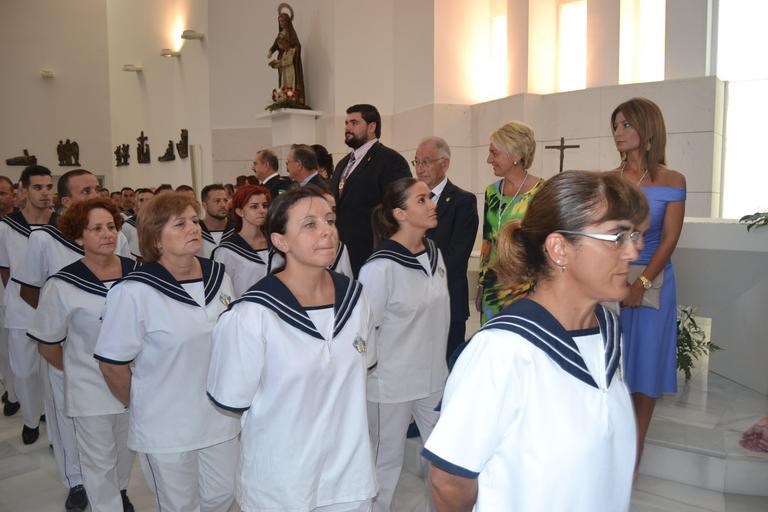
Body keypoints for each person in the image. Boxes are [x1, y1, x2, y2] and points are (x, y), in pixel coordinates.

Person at [424, 171, 646, 511]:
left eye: (635, 236)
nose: (633, 252)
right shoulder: (504, 351)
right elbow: (448, 481)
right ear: (559, 248)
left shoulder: (606, 332)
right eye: (617, 236)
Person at [207, 186, 376, 511]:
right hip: (281, 483)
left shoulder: (357, 299)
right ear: (280, 241)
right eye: (310, 224)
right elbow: (232, 398)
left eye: (330, 220)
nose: (327, 230)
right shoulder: (253, 313)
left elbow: (362, 368)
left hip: (348, 480)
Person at [95, 193, 240, 512]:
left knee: (222, 495)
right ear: (156, 238)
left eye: (193, 220)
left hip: (219, 417)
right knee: (179, 505)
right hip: (165, 425)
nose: (193, 228)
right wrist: (144, 405)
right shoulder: (133, 291)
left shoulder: (220, 277)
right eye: (180, 224)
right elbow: (111, 364)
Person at [14, 168, 129, 511]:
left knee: (121, 442)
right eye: (86, 190)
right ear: (68, 203)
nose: (95, 194)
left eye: (97, 188)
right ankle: (79, 484)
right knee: (75, 429)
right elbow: (31, 289)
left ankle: (117, 492)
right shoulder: (47, 245)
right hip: (74, 355)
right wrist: (67, 338)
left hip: (122, 370)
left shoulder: (124, 254)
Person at [359, 177, 450, 512]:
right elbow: (365, 331)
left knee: (445, 457)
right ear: (400, 213)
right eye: (422, 200)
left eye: (431, 198)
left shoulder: (434, 254)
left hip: (432, 379)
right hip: (390, 384)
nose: (432, 205)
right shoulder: (380, 267)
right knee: (386, 463)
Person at [610, 97, 687, 468]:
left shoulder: (673, 181)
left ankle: (635, 451)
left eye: (626, 125)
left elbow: (670, 239)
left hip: (653, 281)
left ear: (647, 127)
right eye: (615, 126)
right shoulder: (610, 181)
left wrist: (641, 281)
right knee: (613, 364)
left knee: (646, 367)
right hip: (611, 283)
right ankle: (612, 441)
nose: (618, 133)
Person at [0, 166, 54, 443]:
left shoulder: (60, 225)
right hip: (22, 307)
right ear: (23, 191)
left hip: (54, 308)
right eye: (37, 187)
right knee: (24, 369)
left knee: (52, 369)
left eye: (48, 187)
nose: (45, 193)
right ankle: (31, 418)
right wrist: (21, 296)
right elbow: (5, 269)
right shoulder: (7, 227)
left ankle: (47, 413)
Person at [415, 137, 479, 360]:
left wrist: (421, 281)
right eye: (416, 162)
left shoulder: (463, 202)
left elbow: (457, 257)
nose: (420, 169)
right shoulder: (409, 201)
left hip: (447, 299)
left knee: (448, 365)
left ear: (445, 163)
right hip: (413, 303)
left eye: (426, 162)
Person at [330, 104, 412, 276]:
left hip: (373, 253)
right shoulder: (343, 163)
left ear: (372, 127)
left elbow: (399, 209)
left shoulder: (390, 160)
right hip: (341, 254)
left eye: (354, 123)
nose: (347, 128)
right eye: (346, 123)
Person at [477, 120, 544, 324]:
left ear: (516, 155)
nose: (489, 159)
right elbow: (488, 240)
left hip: (527, 286)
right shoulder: (491, 191)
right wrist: (481, 283)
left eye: (495, 153)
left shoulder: (542, 191)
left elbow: (545, 244)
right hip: (493, 287)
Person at [212, 184, 283, 298]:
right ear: (240, 212)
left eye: (265, 205)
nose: (262, 211)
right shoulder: (227, 251)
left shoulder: (277, 242)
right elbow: (222, 292)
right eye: (254, 206)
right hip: (244, 311)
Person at [309, 184, 354, 278]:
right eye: (324, 209)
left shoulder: (340, 247)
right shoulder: (294, 245)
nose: (331, 215)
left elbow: (347, 282)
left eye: (333, 209)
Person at [268, 10, 305, 104]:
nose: (281, 23)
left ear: (287, 21)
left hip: (291, 65)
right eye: (280, 22)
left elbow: (297, 45)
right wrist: (271, 51)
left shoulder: (291, 33)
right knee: (284, 81)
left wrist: (295, 49)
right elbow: (276, 44)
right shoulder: (280, 34)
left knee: (291, 82)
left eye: (283, 21)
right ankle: (285, 97)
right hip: (283, 64)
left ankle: (292, 97)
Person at [199, 184, 235, 258]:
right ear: (204, 205)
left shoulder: (238, 229)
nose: (223, 205)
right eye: (217, 201)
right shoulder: (196, 231)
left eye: (225, 200)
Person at [122, 187, 155, 259]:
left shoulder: (161, 224)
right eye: (141, 200)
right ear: (136, 203)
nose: (145, 203)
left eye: (149, 200)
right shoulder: (127, 225)